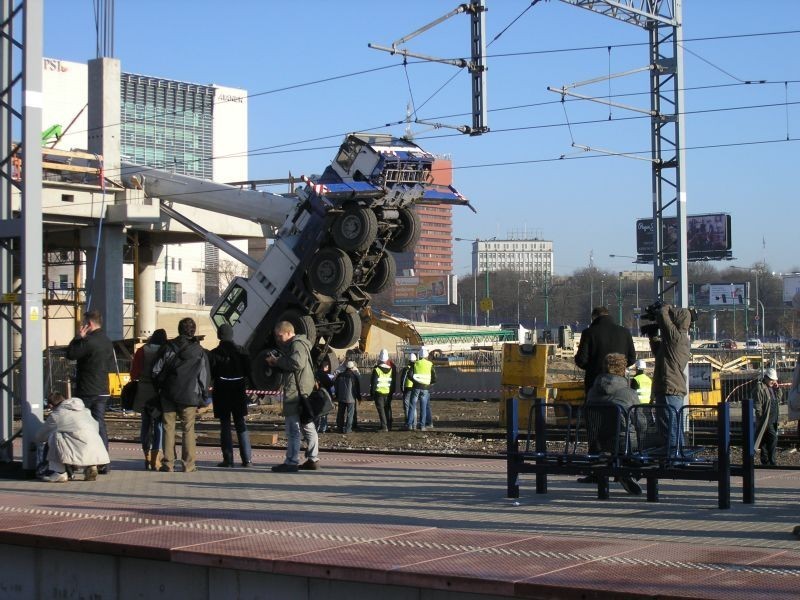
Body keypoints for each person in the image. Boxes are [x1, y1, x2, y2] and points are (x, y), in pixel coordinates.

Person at [151, 317, 210, 473]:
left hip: (168, 393)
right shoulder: (199, 351)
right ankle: (188, 465)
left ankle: (168, 464)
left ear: (179, 330)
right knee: (188, 429)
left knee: (168, 427)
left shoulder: (168, 347)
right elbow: (203, 376)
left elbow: (156, 370)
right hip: (190, 395)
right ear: (193, 331)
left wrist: (160, 386)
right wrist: (204, 396)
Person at [585, 353, 645, 495]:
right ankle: (627, 472)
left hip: (598, 442)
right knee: (655, 443)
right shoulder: (629, 393)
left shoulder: (592, 392)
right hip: (625, 443)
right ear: (623, 369)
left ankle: (622, 472)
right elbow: (641, 423)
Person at [266, 320, 320, 472]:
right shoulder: (300, 344)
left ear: (289, 332)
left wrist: (277, 361)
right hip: (302, 391)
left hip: (295, 393)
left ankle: (291, 461)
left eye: (280, 335)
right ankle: (313, 459)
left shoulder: (296, 345)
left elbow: (297, 363)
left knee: (293, 429)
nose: (278, 339)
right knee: (308, 426)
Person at [66, 309, 113, 473]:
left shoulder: (88, 341)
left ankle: (85, 460)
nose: (81, 326)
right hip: (103, 389)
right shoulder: (107, 341)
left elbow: (70, 354)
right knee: (100, 424)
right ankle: (103, 461)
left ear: (89, 324)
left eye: (83, 323)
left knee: (83, 425)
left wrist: (78, 338)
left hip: (87, 390)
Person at [34, 393, 110, 482]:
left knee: (53, 437)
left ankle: (59, 473)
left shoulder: (57, 415)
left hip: (80, 447)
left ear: (51, 405)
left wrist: (34, 442)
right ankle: (91, 466)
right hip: (97, 448)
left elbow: (41, 436)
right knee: (77, 436)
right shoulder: (85, 410)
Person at [647, 303, 691, 454]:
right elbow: (660, 354)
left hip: (669, 388)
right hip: (671, 388)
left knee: (669, 427)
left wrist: (665, 307)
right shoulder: (675, 342)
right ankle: (678, 455)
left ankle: (673, 457)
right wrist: (652, 337)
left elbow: (664, 319)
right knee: (674, 427)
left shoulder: (677, 338)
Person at [208, 324, 253, 468]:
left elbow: (211, 374)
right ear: (232, 335)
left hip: (221, 390)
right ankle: (247, 459)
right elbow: (249, 372)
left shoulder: (214, 353)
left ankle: (228, 459)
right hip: (238, 389)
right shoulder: (241, 351)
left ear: (219, 335)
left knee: (225, 425)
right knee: (241, 423)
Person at [574, 306, 636, 395]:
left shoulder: (588, 332)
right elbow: (632, 358)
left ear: (594, 317)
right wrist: (619, 367)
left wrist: (593, 368)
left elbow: (581, 360)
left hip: (595, 382)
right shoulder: (625, 332)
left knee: (595, 407)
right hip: (619, 381)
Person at [129, 329, 168, 471]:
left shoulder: (141, 351)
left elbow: (134, 373)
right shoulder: (166, 350)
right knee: (158, 424)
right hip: (159, 393)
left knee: (145, 423)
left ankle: (146, 454)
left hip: (143, 391)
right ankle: (156, 458)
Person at [754, 368, 782, 466]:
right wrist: (760, 417)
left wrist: (777, 389)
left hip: (773, 417)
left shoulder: (772, 388)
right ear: (765, 378)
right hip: (766, 418)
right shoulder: (760, 387)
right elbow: (758, 404)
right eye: (771, 379)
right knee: (773, 438)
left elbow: (778, 398)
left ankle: (765, 461)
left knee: (766, 439)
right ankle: (772, 460)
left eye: (774, 380)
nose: (773, 381)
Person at [406, 347, 436, 430]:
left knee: (412, 406)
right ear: (426, 356)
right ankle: (422, 426)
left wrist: (415, 381)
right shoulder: (430, 364)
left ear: (419, 355)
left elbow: (409, 375)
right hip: (425, 388)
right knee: (423, 407)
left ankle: (409, 425)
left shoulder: (415, 364)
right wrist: (429, 384)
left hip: (416, 387)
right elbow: (434, 378)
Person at [370, 349, 396, 431]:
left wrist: (372, 393)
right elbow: (392, 381)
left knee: (381, 410)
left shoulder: (377, 370)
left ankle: (384, 426)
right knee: (387, 409)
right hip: (387, 392)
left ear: (379, 359)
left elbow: (374, 383)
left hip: (379, 393)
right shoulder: (390, 369)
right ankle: (388, 425)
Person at [335, 361, 361, 434]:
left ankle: (339, 428)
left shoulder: (340, 375)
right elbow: (357, 389)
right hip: (351, 398)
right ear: (352, 368)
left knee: (340, 414)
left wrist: (337, 395)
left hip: (341, 398)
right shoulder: (354, 377)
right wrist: (359, 398)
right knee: (350, 415)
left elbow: (336, 386)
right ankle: (348, 429)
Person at [315, 360, 335, 433]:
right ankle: (323, 428)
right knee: (324, 411)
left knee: (316, 412)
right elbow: (329, 384)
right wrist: (334, 380)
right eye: (327, 366)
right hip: (324, 394)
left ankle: (316, 427)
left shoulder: (315, 373)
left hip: (316, 395)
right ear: (325, 367)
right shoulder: (323, 374)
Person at [400, 353, 417, 421]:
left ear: (409, 360)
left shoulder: (407, 369)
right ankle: (414, 422)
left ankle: (408, 422)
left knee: (407, 406)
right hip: (415, 388)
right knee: (414, 406)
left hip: (408, 389)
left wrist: (402, 388)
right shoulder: (416, 368)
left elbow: (403, 379)